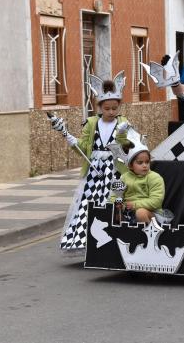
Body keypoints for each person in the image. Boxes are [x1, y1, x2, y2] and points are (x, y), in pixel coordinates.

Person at [51, 73, 139, 252]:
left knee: (115, 201)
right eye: (107, 109)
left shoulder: (123, 122)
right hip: (94, 171)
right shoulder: (91, 123)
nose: (111, 112)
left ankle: (117, 241)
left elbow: (131, 145)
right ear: (99, 107)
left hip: (116, 170)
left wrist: (126, 140)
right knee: (88, 202)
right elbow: (83, 148)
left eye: (114, 108)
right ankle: (83, 241)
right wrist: (67, 135)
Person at [109, 130, 165, 224]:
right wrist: (117, 204)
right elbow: (114, 195)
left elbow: (156, 201)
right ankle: (124, 234)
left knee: (140, 213)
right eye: (140, 163)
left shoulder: (155, 178)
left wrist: (135, 205)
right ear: (130, 165)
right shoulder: (124, 177)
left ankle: (148, 236)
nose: (145, 165)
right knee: (114, 213)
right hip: (128, 211)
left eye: (147, 162)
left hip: (151, 213)